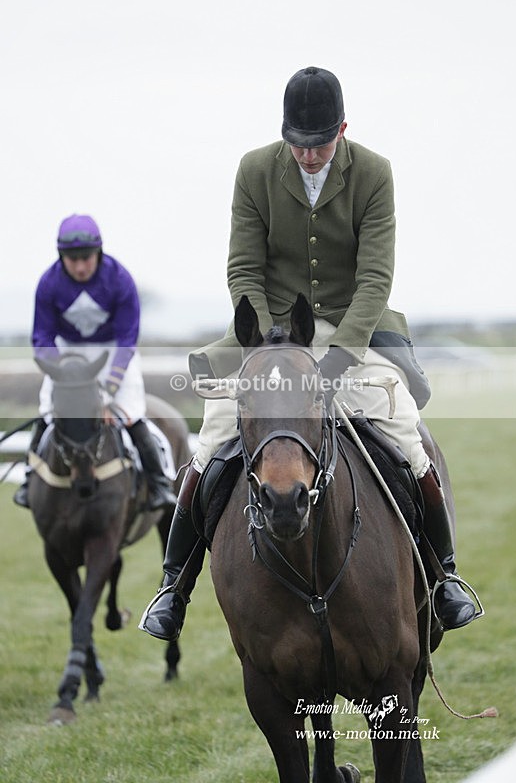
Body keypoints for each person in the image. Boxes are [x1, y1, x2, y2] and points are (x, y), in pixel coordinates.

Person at [140, 66, 477, 641]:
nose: (310, 156)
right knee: (214, 433)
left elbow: (374, 278)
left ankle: (444, 578)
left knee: (403, 428)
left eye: (320, 145)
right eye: (299, 145)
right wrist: (273, 347)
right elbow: (244, 268)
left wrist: (339, 358)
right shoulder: (254, 169)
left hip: (354, 329)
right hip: (273, 331)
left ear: (342, 130)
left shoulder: (374, 173)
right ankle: (175, 586)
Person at [13, 213, 176, 514]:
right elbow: (42, 338)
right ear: (61, 257)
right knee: (47, 412)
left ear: (98, 253)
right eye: (71, 259)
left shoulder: (119, 280)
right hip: (67, 357)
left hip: (113, 353)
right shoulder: (49, 284)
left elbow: (128, 337)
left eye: (85, 258)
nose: (79, 266)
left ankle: (158, 485)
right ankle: (28, 481)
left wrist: (109, 388)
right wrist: (62, 376)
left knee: (132, 413)